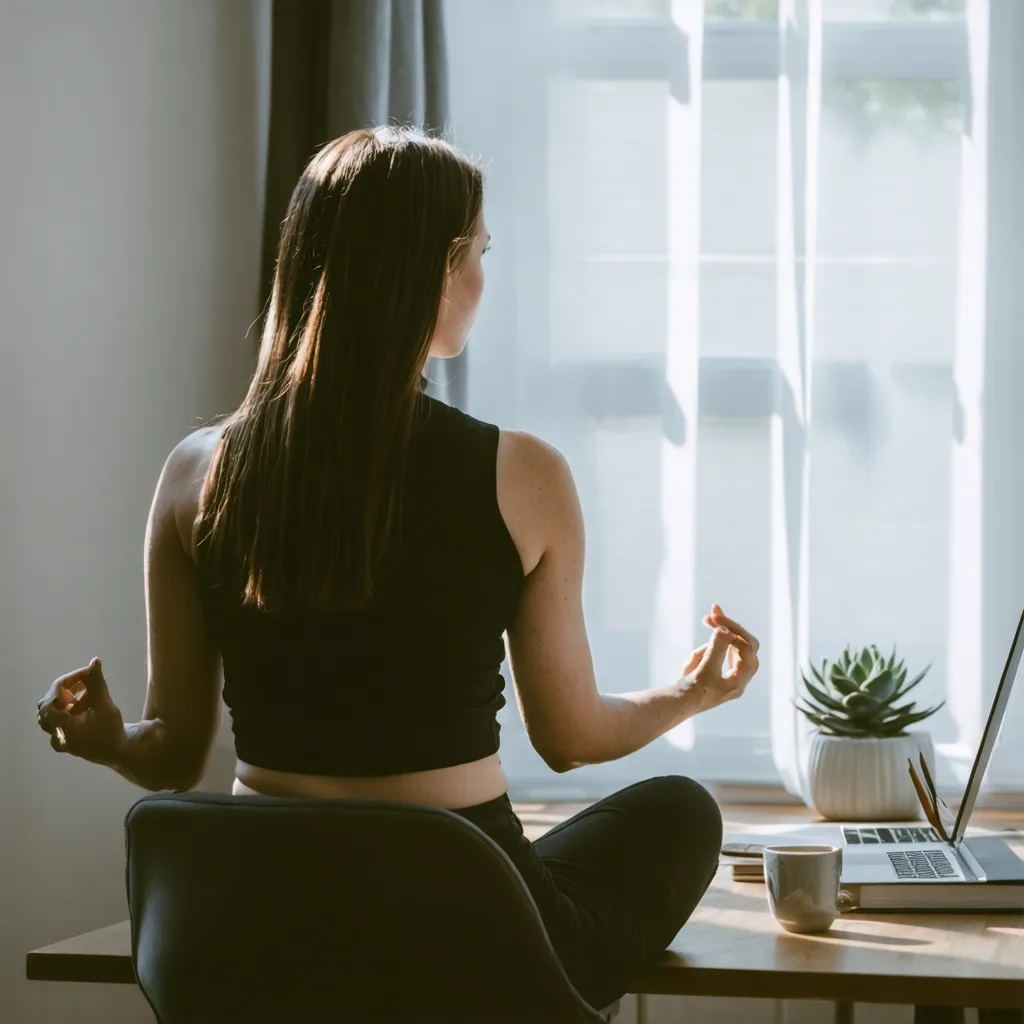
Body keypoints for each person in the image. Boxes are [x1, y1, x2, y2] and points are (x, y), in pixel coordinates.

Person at [36, 125, 759, 1011]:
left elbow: (174, 758)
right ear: (436, 268)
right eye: (479, 253)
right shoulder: (523, 476)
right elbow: (569, 740)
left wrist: (106, 737)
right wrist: (698, 695)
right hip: (462, 933)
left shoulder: (196, 472)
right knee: (680, 812)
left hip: (262, 927)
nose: (484, 282)